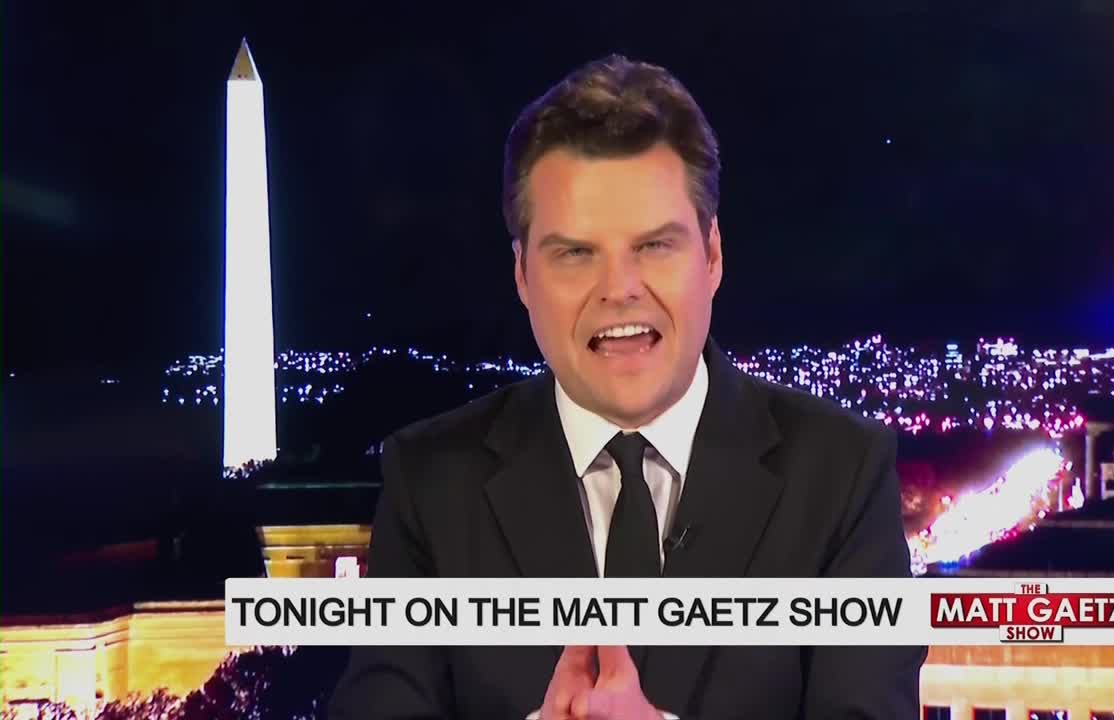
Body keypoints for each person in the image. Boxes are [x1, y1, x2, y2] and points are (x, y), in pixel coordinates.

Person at [328, 53, 925, 720]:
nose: (619, 290)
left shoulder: (841, 475)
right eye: (576, 253)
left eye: (654, 246)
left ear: (713, 255)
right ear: (523, 275)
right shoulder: (431, 483)